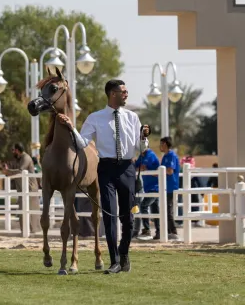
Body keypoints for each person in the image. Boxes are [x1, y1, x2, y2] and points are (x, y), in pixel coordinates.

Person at [57, 79, 150, 274]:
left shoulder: (133, 117)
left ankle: (124, 254)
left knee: (128, 218)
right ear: (112, 94)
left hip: (127, 168)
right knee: (108, 215)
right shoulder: (95, 118)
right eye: (122, 91)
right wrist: (71, 127)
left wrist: (144, 138)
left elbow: (140, 149)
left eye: (126, 90)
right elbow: (82, 143)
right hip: (106, 168)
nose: (126, 94)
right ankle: (114, 261)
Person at [3, 142, 41, 234]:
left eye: (13, 150)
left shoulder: (26, 158)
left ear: (17, 150)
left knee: (31, 211)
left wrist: (8, 171)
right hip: (23, 189)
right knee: (23, 210)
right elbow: (13, 170)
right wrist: (7, 170)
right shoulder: (19, 159)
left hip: (30, 188)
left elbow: (20, 171)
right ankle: (25, 231)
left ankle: (33, 231)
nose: (12, 152)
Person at [132, 147, 160, 239]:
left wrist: (139, 167)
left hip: (155, 187)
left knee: (144, 206)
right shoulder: (141, 155)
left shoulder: (150, 155)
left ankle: (147, 230)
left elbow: (142, 167)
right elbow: (136, 167)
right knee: (155, 210)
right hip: (148, 188)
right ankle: (159, 231)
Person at [160, 136, 180, 240]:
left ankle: (173, 231)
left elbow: (170, 170)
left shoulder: (171, 155)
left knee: (168, 209)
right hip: (165, 187)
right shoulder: (165, 156)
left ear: (165, 144)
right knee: (164, 209)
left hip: (171, 186)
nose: (160, 146)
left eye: (161, 144)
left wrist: (160, 172)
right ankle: (167, 231)